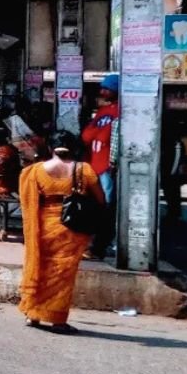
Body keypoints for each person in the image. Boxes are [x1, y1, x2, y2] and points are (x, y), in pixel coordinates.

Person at [18, 131, 105, 333]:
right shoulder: (85, 170)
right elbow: (100, 199)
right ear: (74, 148)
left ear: (50, 148)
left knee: (39, 267)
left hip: (43, 226)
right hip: (72, 229)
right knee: (63, 274)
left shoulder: (34, 171)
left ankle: (33, 315)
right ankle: (57, 320)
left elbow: (28, 202)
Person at [81, 74, 120, 258]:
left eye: (107, 88)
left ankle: (103, 243)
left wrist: (98, 133)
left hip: (107, 165)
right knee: (96, 204)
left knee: (106, 205)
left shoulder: (121, 111)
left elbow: (106, 136)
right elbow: (87, 135)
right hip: (94, 164)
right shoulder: (102, 112)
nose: (103, 92)